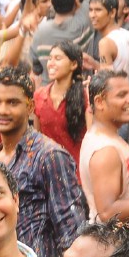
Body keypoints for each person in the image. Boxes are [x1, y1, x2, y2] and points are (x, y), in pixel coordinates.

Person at [0, 66, 87, 257]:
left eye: (12, 102)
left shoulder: (49, 156)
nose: (2, 110)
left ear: (30, 107)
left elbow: (73, 234)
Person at [79, 69, 129, 221]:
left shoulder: (109, 138)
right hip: (115, 243)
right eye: (122, 95)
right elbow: (107, 213)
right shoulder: (105, 151)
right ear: (99, 102)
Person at [34, 40, 88, 168]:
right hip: (47, 170)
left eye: (57, 59)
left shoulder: (85, 97)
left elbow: (92, 139)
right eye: (50, 58)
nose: (51, 63)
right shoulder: (39, 95)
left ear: (73, 64)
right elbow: (37, 137)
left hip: (77, 171)